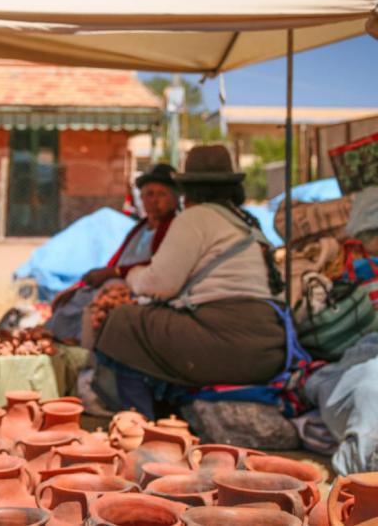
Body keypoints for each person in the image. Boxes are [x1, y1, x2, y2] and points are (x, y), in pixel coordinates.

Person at [92, 145, 287, 419]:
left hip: (230, 342)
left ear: (187, 191)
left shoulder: (196, 218)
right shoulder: (246, 221)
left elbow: (160, 284)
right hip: (268, 347)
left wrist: (128, 275)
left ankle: (141, 426)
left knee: (124, 321)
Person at [47, 164, 179, 344]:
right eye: (149, 194)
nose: (154, 200)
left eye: (161, 194)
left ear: (175, 198)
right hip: (115, 281)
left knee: (100, 303)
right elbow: (115, 262)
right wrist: (76, 286)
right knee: (71, 303)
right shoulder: (139, 229)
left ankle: (87, 353)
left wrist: (114, 273)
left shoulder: (176, 228)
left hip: (141, 289)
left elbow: (159, 267)